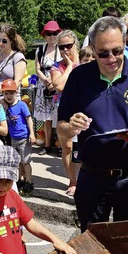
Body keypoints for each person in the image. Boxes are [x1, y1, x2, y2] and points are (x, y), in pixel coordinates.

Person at [57, 16, 128, 232]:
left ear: (125, 44)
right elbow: (61, 126)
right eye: (103, 53)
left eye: (117, 51)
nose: (112, 58)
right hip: (92, 176)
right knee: (90, 241)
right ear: (92, 49)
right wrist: (70, 127)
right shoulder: (79, 77)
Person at [0, 145, 78, 254]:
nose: (3, 186)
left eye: (8, 181)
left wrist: (55, 239)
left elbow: (30, 222)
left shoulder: (12, 195)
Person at [51, 30, 81, 196]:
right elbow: (59, 86)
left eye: (69, 46)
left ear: (75, 44)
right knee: (67, 147)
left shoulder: (85, 61)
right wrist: (69, 66)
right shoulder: (57, 66)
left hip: (83, 109)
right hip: (63, 109)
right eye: (61, 47)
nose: (65, 50)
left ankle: (83, 179)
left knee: (83, 147)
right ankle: (73, 181)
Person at [1, 79, 35, 195]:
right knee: (18, 161)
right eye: (6, 93)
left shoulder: (21, 105)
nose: (9, 96)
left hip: (24, 138)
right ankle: (20, 179)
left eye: (11, 93)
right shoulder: (5, 107)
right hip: (13, 138)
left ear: (16, 93)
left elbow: (28, 119)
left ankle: (29, 181)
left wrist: (32, 134)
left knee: (25, 161)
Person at [34, 21, 62, 156]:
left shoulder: (62, 49)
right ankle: (47, 145)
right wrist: (46, 81)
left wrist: (54, 82)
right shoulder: (40, 50)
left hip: (58, 85)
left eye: (55, 33)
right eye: (49, 34)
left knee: (60, 115)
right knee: (47, 118)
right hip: (43, 86)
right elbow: (37, 69)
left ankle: (61, 145)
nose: (52, 36)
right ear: (45, 35)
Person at [0, 23, 27, 100]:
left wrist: (5, 97)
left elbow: (17, 83)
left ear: (11, 41)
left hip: (9, 101)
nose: (0, 43)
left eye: (4, 41)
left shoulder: (18, 57)